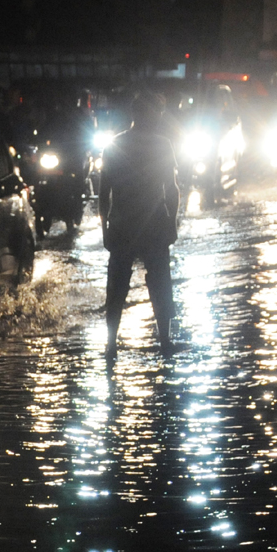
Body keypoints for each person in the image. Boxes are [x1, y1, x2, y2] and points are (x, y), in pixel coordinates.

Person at [99, 90, 180, 357]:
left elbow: (103, 193)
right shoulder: (162, 144)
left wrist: (105, 230)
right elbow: (173, 189)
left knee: (117, 289)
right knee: (160, 285)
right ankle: (165, 342)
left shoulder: (115, 144)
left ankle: (111, 345)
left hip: (123, 225)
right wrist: (172, 221)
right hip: (154, 225)